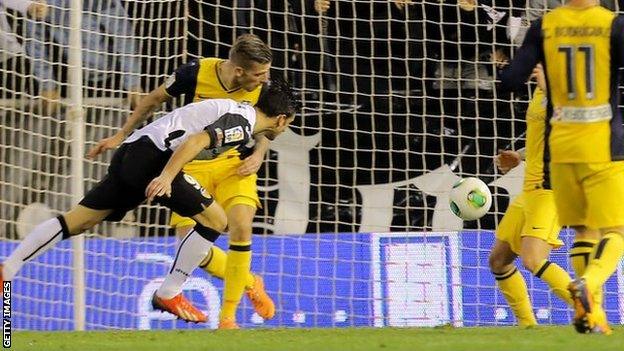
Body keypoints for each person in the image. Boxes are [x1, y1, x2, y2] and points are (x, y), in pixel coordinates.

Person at [1, 78, 299, 324]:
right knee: (216, 221)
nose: (283, 129)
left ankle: (8, 268)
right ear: (281, 119)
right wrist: (168, 176)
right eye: (287, 125)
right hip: (153, 160)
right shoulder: (241, 125)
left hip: (133, 151)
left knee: (78, 220)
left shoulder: (239, 111)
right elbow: (194, 142)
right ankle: (169, 292)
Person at [88, 33, 275, 329]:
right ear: (240, 70)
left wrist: (259, 154)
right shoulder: (196, 72)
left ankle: (228, 319)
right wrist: (121, 135)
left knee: (240, 225)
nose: (265, 79)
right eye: (259, 73)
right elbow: (153, 99)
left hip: (234, 164)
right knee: (191, 247)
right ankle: (250, 281)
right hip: (192, 162)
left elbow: (270, 125)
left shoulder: (263, 84)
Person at [500, 0, 624, 334]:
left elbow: (510, 80)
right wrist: (521, 156)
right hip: (590, 153)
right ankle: (543, 318)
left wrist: (507, 70)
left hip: (555, 173)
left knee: (540, 254)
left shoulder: (546, 32)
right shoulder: (610, 27)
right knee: (501, 260)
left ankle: (587, 311)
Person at [490, 65, 605, 329]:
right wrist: (518, 155)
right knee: (498, 260)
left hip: (552, 189)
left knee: (533, 259)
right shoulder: (541, 92)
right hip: (530, 189)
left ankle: (592, 315)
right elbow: (543, 139)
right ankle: (528, 328)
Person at [24, 0, 142, 115]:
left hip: (115, 79)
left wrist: (133, 84)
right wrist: (47, 85)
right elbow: (35, 44)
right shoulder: (41, 4)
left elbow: (124, 40)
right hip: (69, 79)